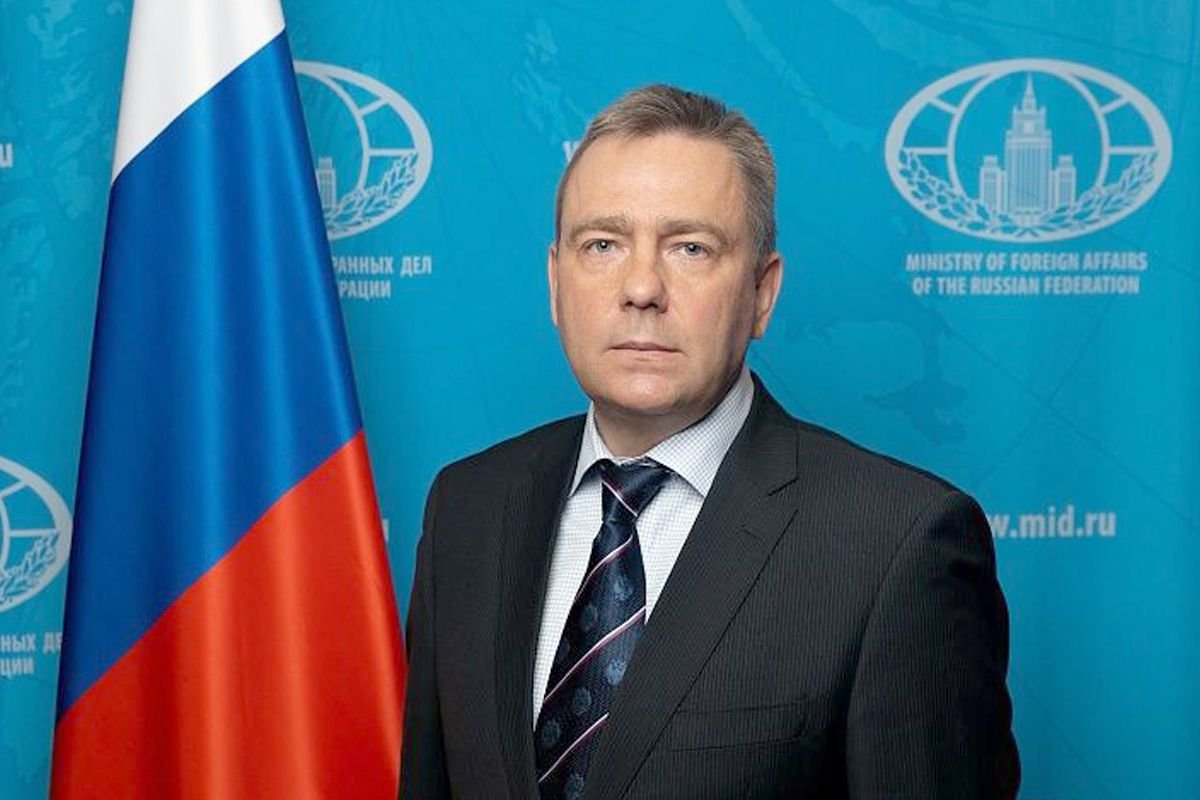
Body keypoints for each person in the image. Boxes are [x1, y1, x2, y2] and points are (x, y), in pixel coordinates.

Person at [400, 84, 1020, 799]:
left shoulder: (896, 545)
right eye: (602, 245)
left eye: (690, 248)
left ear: (762, 292)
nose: (641, 287)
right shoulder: (468, 508)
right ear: (555, 281)